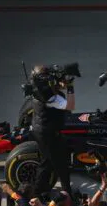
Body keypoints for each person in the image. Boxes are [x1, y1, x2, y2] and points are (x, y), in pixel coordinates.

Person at [30, 65, 76, 201]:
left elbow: (52, 86)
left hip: (42, 129)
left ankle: (38, 193)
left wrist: (58, 83)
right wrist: (70, 87)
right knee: (58, 165)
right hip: (48, 134)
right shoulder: (52, 99)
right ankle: (66, 196)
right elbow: (71, 106)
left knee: (48, 163)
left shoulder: (36, 88)